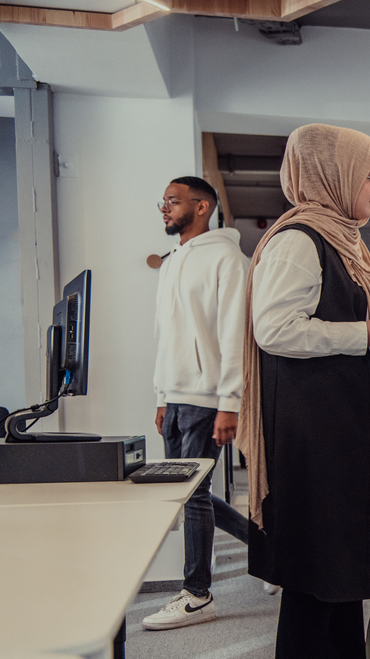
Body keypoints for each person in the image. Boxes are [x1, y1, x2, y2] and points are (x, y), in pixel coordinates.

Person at [237, 123, 370, 659]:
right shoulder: (299, 240)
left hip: (346, 428)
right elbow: (275, 330)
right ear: (331, 174)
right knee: (314, 568)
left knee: (344, 561)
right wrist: (365, 334)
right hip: (315, 435)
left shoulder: (343, 240)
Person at [143, 176, 251, 631]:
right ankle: (273, 551)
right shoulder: (173, 262)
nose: (164, 209)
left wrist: (230, 402)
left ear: (202, 207)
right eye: (163, 202)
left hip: (209, 399)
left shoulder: (228, 258)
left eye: (173, 201)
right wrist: (163, 394)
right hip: (177, 397)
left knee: (193, 495)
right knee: (191, 493)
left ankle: (197, 593)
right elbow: (165, 335)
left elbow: (233, 334)